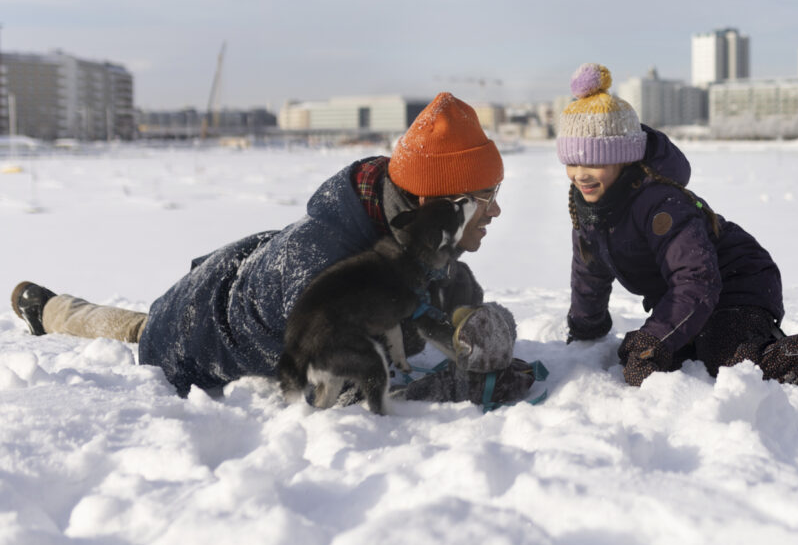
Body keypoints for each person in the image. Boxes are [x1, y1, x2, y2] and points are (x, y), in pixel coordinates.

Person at [10, 92, 531, 405]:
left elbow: (441, 289)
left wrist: (471, 325)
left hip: (250, 271)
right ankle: (51, 311)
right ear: (436, 200)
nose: (496, 211)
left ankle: (49, 306)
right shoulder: (327, 268)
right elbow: (343, 393)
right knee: (143, 329)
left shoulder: (406, 212)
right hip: (197, 327)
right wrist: (461, 386)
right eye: (485, 198)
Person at [557, 63, 798, 389]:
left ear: (625, 159)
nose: (581, 174)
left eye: (596, 162)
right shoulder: (589, 211)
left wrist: (653, 338)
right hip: (691, 298)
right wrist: (587, 329)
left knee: (735, 364)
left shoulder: (661, 205)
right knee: (648, 363)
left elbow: (696, 280)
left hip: (738, 284)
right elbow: (588, 272)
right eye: (572, 163)